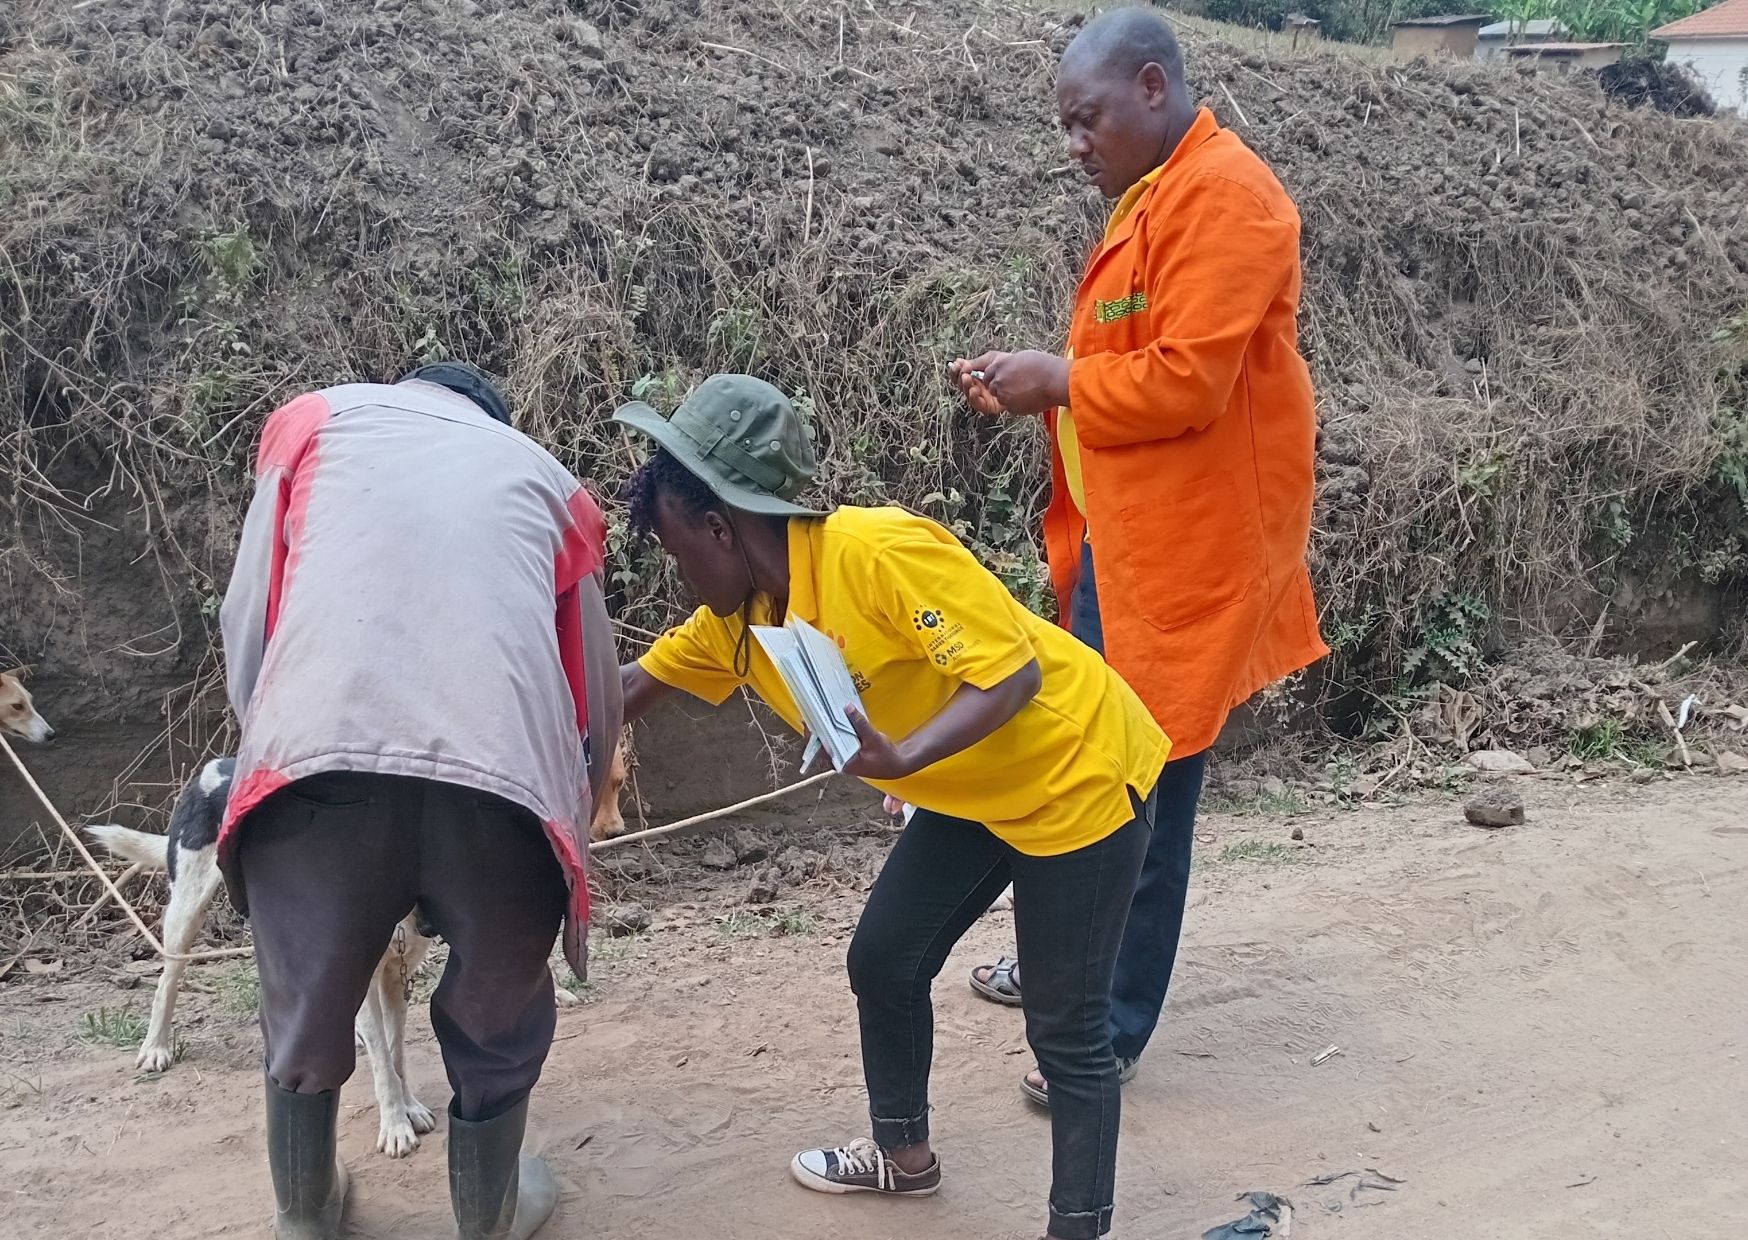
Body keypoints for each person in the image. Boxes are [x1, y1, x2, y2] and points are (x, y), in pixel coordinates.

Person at [614, 374, 1166, 1240]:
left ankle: (1078, 1228)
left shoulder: (874, 553)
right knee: (885, 958)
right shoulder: (738, 619)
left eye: (680, 550)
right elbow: (626, 689)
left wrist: (902, 759)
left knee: (1068, 1035)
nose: (678, 574)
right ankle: (903, 1158)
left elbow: (1012, 673)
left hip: (1075, 777)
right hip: (978, 792)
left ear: (721, 528)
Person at [950, 7, 1328, 1105]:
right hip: (1124, 546)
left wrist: (1056, 379)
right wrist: (1037, 378)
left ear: (1152, 88)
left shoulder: (1232, 199)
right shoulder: (1153, 196)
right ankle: (1062, 958)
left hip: (1192, 562)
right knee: (1082, 756)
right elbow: (1120, 359)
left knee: (1146, 786)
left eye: (1086, 119)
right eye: (1063, 124)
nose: (1073, 142)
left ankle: (1104, 1027)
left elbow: (1185, 383)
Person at [216, 362, 621, 1239]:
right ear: (494, 422)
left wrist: (274, 751)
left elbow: (248, 614)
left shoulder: (313, 421)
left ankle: (308, 1212)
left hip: (316, 759)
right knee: (496, 1016)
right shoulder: (554, 485)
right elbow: (594, 689)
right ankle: (492, 1215)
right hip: (506, 784)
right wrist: (569, 820)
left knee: (309, 998)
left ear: (409, 391)